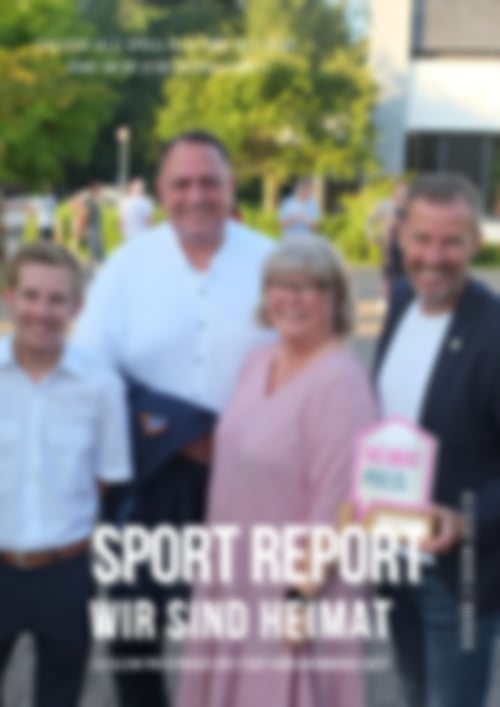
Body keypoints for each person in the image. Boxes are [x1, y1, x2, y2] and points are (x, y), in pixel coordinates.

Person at [72, 130, 275, 707]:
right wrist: (174, 429)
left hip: (252, 480)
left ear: (232, 186)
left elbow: (309, 358)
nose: (196, 196)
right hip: (149, 476)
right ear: (160, 191)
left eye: (210, 182)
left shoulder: (273, 261)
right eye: (181, 183)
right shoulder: (125, 267)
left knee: (245, 632)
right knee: (135, 630)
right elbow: (89, 368)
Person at [177, 235, 378, 707]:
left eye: (309, 287)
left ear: (336, 300)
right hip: (236, 568)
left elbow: (339, 506)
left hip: (293, 584)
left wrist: (300, 599)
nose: (292, 298)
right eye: (281, 285)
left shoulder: (341, 382)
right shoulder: (259, 359)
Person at [374, 173, 500, 707]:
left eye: (452, 241)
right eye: (422, 238)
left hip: (458, 574)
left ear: (475, 242)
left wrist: (466, 518)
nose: (434, 256)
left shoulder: (494, 330)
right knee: (413, 692)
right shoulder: (403, 299)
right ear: (400, 236)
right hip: (392, 555)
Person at [0, 243, 132, 707]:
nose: (42, 311)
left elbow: (106, 477)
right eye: (30, 296)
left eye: (57, 299)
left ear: (77, 307)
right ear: (8, 297)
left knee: (60, 695)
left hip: (67, 573)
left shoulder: (101, 387)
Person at [82, 183, 105, 266]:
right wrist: (82, 229)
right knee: (95, 255)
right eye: (99, 190)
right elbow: (86, 215)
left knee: (98, 254)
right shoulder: (90, 202)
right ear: (94, 191)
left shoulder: (94, 202)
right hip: (92, 231)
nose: (101, 192)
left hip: (95, 231)